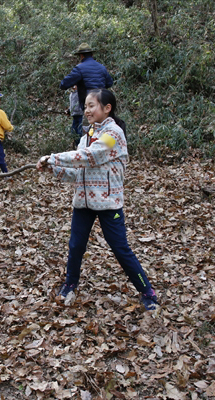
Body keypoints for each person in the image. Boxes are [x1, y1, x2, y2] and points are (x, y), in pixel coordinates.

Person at [36, 89, 158, 311]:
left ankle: (147, 291)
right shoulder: (86, 136)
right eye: (85, 106)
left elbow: (91, 156)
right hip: (83, 202)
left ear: (107, 108)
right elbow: (78, 172)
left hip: (108, 203)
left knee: (120, 248)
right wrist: (53, 168)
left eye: (92, 105)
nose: (87, 110)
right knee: (75, 246)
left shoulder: (114, 134)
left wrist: (53, 157)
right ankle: (70, 284)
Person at [60, 43, 113, 112]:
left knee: (89, 122)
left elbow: (64, 84)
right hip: (102, 103)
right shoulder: (102, 67)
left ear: (81, 56)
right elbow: (109, 83)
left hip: (89, 104)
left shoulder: (79, 68)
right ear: (92, 55)